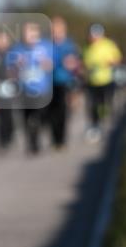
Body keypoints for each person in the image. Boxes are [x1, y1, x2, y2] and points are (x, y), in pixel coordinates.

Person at [8, 21, 53, 154]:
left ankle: (37, 138)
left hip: (42, 90)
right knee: (27, 119)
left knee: (40, 118)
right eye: (27, 33)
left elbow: (50, 66)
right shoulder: (17, 49)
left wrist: (44, 62)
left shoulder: (46, 47)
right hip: (24, 91)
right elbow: (10, 71)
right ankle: (32, 143)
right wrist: (17, 65)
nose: (30, 36)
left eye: (33, 33)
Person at [82, 23, 122, 141]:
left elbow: (117, 60)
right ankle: (96, 127)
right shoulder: (86, 46)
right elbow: (84, 61)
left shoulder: (108, 45)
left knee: (105, 105)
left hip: (106, 80)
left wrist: (110, 62)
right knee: (93, 106)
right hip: (92, 82)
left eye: (96, 35)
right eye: (92, 35)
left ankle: (107, 125)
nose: (93, 37)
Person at [47, 16, 80, 149]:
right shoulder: (47, 45)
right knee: (51, 113)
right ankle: (54, 139)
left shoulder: (69, 45)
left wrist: (72, 64)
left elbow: (76, 64)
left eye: (57, 29)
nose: (55, 32)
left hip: (64, 82)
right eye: (53, 29)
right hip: (49, 83)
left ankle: (61, 140)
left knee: (62, 112)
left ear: (63, 29)